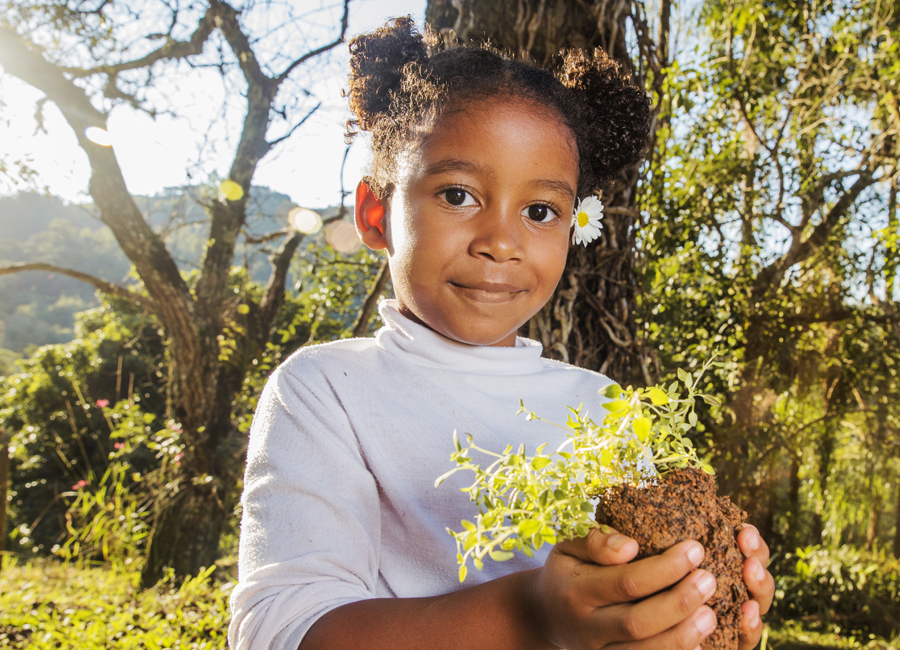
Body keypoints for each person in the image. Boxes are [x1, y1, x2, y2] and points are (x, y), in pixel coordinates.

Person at [229, 16, 775, 650]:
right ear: (377, 214)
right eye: (458, 195)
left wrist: (699, 605)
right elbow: (281, 631)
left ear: (575, 224)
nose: (500, 242)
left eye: (540, 211)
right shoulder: (326, 391)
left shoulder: (604, 406)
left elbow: (633, 604)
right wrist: (530, 616)